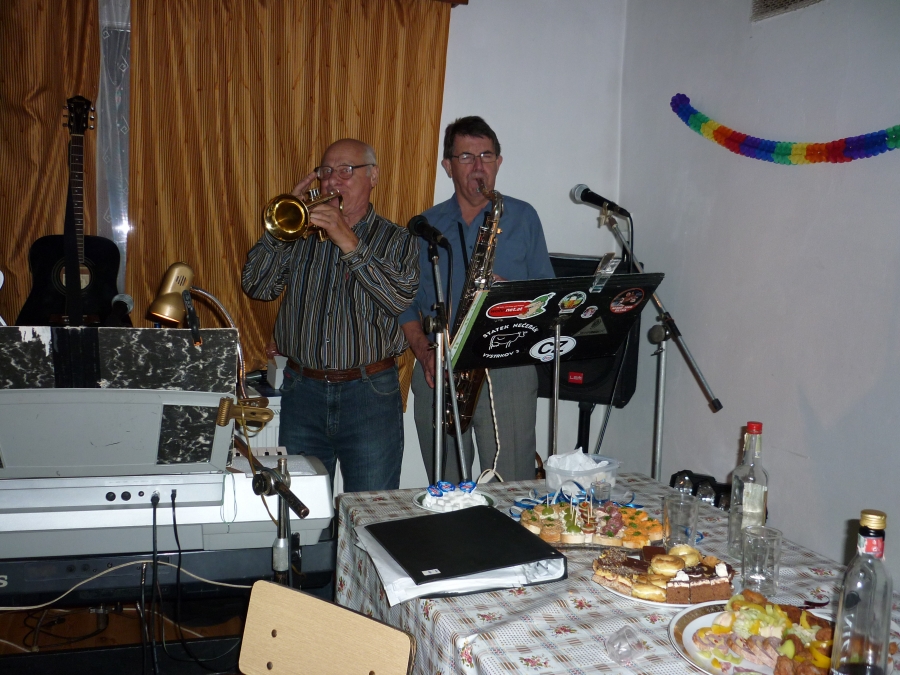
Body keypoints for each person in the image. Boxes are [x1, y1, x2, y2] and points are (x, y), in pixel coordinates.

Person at [242, 139, 419, 493]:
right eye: (325, 172)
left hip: (369, 394)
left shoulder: (398, 239)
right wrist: (279, 234)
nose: (332, 181)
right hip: (302, 390)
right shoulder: (301, 236)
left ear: (373, 177)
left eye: (345, 171)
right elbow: (257, 287)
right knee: (299, 507)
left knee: (370, 508)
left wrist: (346, 239)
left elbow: (399, 299)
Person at [400, 116, 555, 484]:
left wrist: (511, 298)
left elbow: (548, 296)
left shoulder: (523, 217)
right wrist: (425, 352)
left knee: (512, 482)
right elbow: (406, 303)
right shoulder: (425, 226)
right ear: (448, 166)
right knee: (446, 486)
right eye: (466, 157)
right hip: (439, 365)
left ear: (498, 162)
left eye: (486, 155)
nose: (478, 166)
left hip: (509, 367)